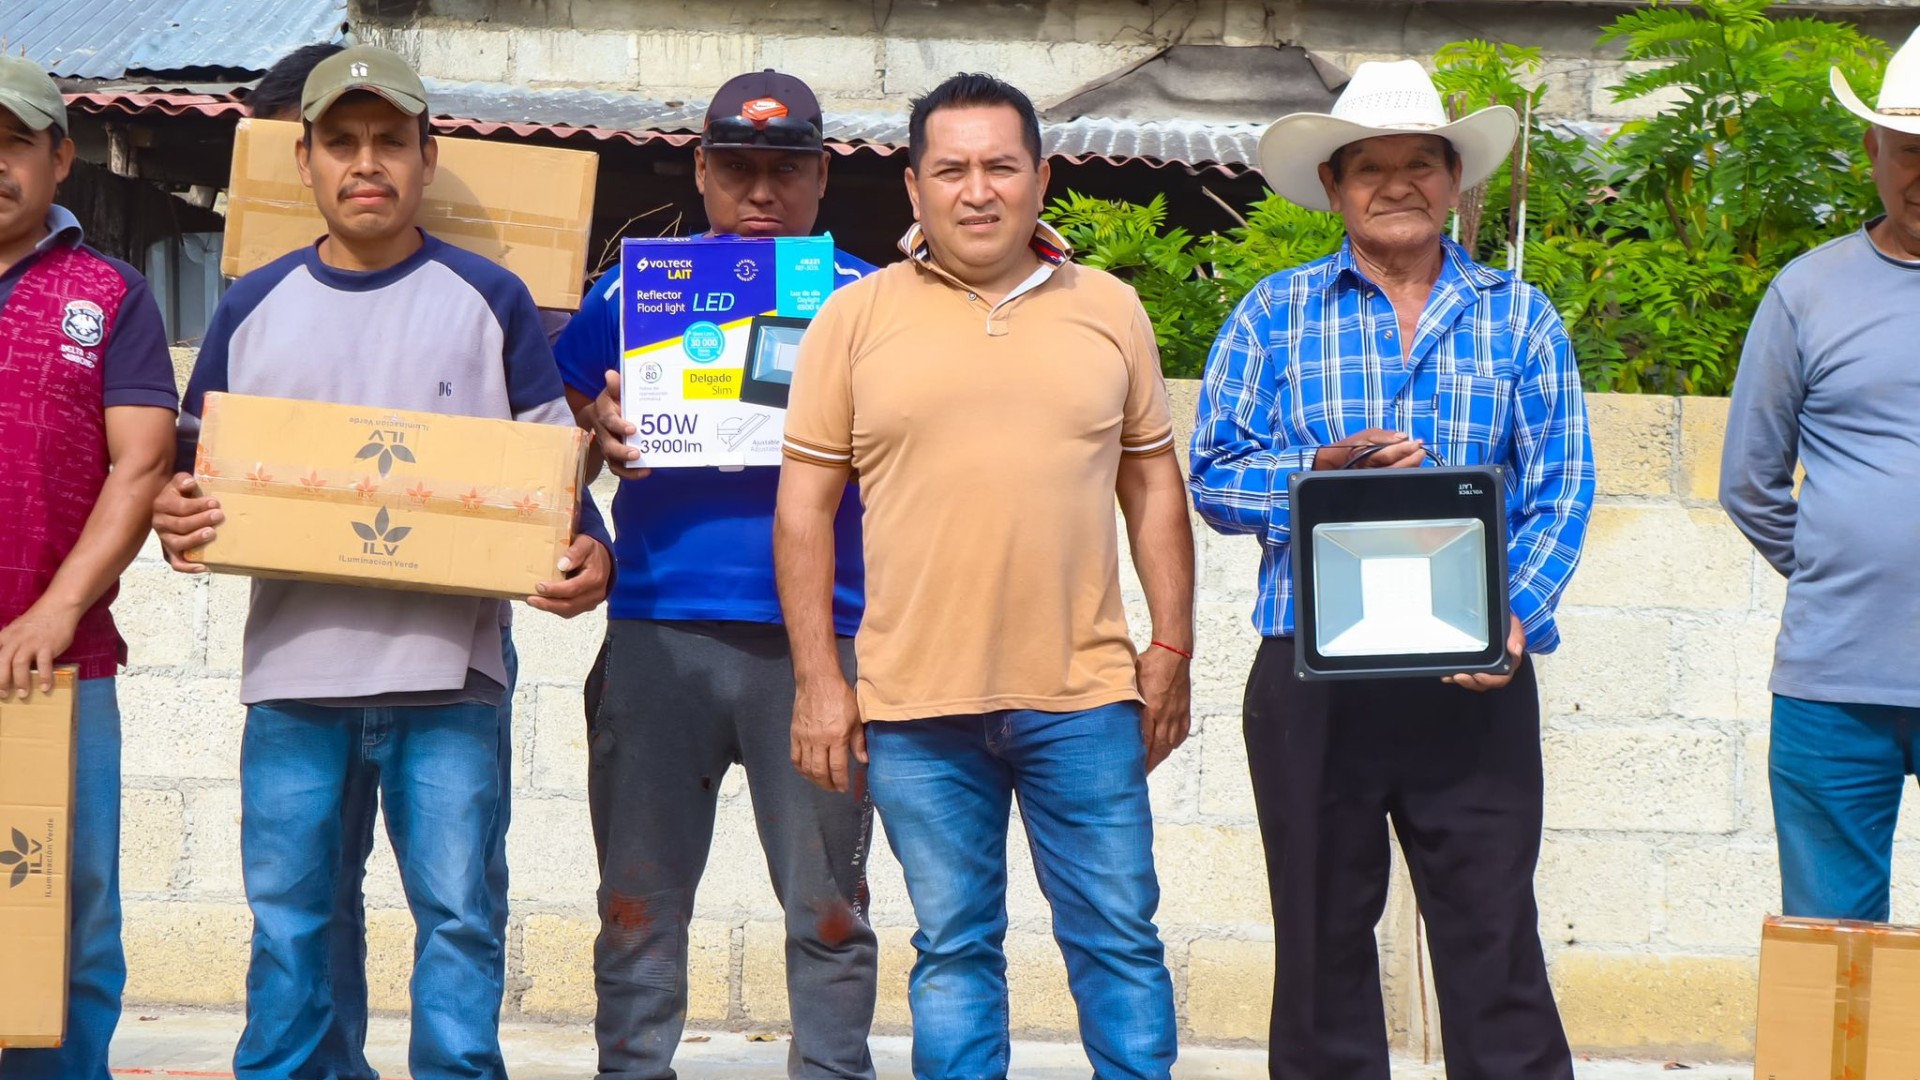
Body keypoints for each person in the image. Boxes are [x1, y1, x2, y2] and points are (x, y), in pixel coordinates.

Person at [149, 46, 610, 1078]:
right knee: (296, 928)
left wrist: (594, 557)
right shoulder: (250, 305)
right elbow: (185, 466)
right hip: (294, 679)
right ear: (303, 159)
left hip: (452, 681)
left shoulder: (491, 301)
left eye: (391, 142)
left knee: (457, 922)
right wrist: (172, 512)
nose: (369, 164)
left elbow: (555, 481)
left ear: (427, 155)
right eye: (344, 143)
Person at [776, 72, 1192, 1080]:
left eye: (1001, 166)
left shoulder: (1112, 310)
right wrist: (821, 683)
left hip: (1084, 696)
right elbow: (803, 512)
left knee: (1119, 944)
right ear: (912, 188)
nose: (978, 190)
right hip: (917, 704)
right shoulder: (854, 318)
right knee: (955, 951)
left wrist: (1171, 645)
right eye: (951, 169)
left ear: (1040, 178)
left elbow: (1153, 489)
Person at [1189, 59, 1594, 1080]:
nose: (1398, 184)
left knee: (1493, 933)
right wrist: (1311, 473)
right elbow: (1213, 477)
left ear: (1455, 180)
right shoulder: (1272, 314)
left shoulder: (1519, 316)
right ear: (1335, 186)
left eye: (1422, 163)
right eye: (1372, 167)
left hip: (1474, 674)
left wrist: (1517, 614)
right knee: (1321, 938)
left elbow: (1564, 485)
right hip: (1311, 674)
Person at [559, 69, 879, 1080]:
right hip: (658, 631)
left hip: (821, 646)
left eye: (785, 171)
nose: (760, 194)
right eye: (737, 168)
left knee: (829, 912)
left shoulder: (869, 301)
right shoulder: (631, 290)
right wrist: (584, 476)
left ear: (822, 178)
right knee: (637, 907)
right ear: (700, 171)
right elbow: (542, 422)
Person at [0, 55, 179, 1080]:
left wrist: (57, 611)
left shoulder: (109, 293)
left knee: (65, 915)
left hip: (62, 673)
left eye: (13, 142)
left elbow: (143, 462)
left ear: (60, 158)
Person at [1721, 26, 1920, 923]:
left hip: (1835, 668)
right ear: (1874, 150)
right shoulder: (1807, 290)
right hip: (1832, 685)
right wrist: (1843, 570)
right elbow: (1750, 480)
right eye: (1913, 150)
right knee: (1832, 944)